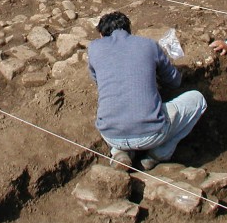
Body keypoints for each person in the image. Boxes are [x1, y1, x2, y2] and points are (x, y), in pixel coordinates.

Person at [87, 12, 207, 171]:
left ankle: (119, 153)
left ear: (102, 35)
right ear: (129, 31)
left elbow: (97, 80)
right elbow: (174, 81)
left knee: (114, 108)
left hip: (111, 135)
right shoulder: (148, 45)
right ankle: (157, 154)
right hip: (152, 135)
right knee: (198, 99)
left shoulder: (94, 48)